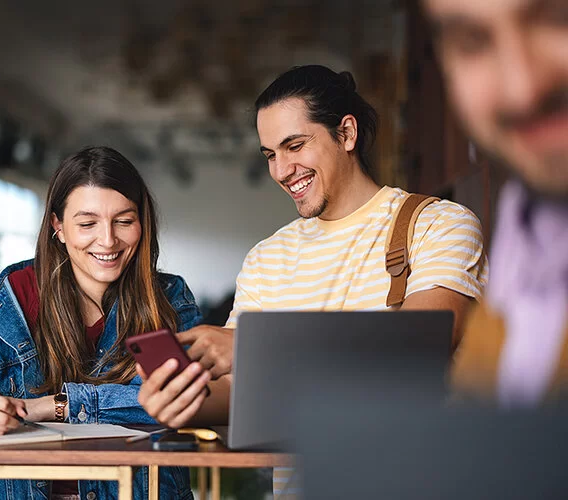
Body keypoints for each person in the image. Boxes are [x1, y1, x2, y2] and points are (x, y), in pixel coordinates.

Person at [136, 65, 488, 497]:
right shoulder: (267, 259)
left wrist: (251, 345)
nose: (282, 170)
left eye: (295, 145)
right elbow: (238, 392)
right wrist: (181, 401)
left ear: (346, 134)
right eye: (270, 155)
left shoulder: (437, 224)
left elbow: (423, 345)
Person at [0, 146, 228, 500]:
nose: (107, 240)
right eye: (87, 223)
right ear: (58, 226)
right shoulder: (13, 299)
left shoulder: (167, 299)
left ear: (142, 221)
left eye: (124, 220)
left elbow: (186, 400)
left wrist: (57, 405)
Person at [422, 0, 568, 406]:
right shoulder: (526, 231)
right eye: (472, 41)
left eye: (559, 18)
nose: (523, 90)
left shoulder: (443, 225)